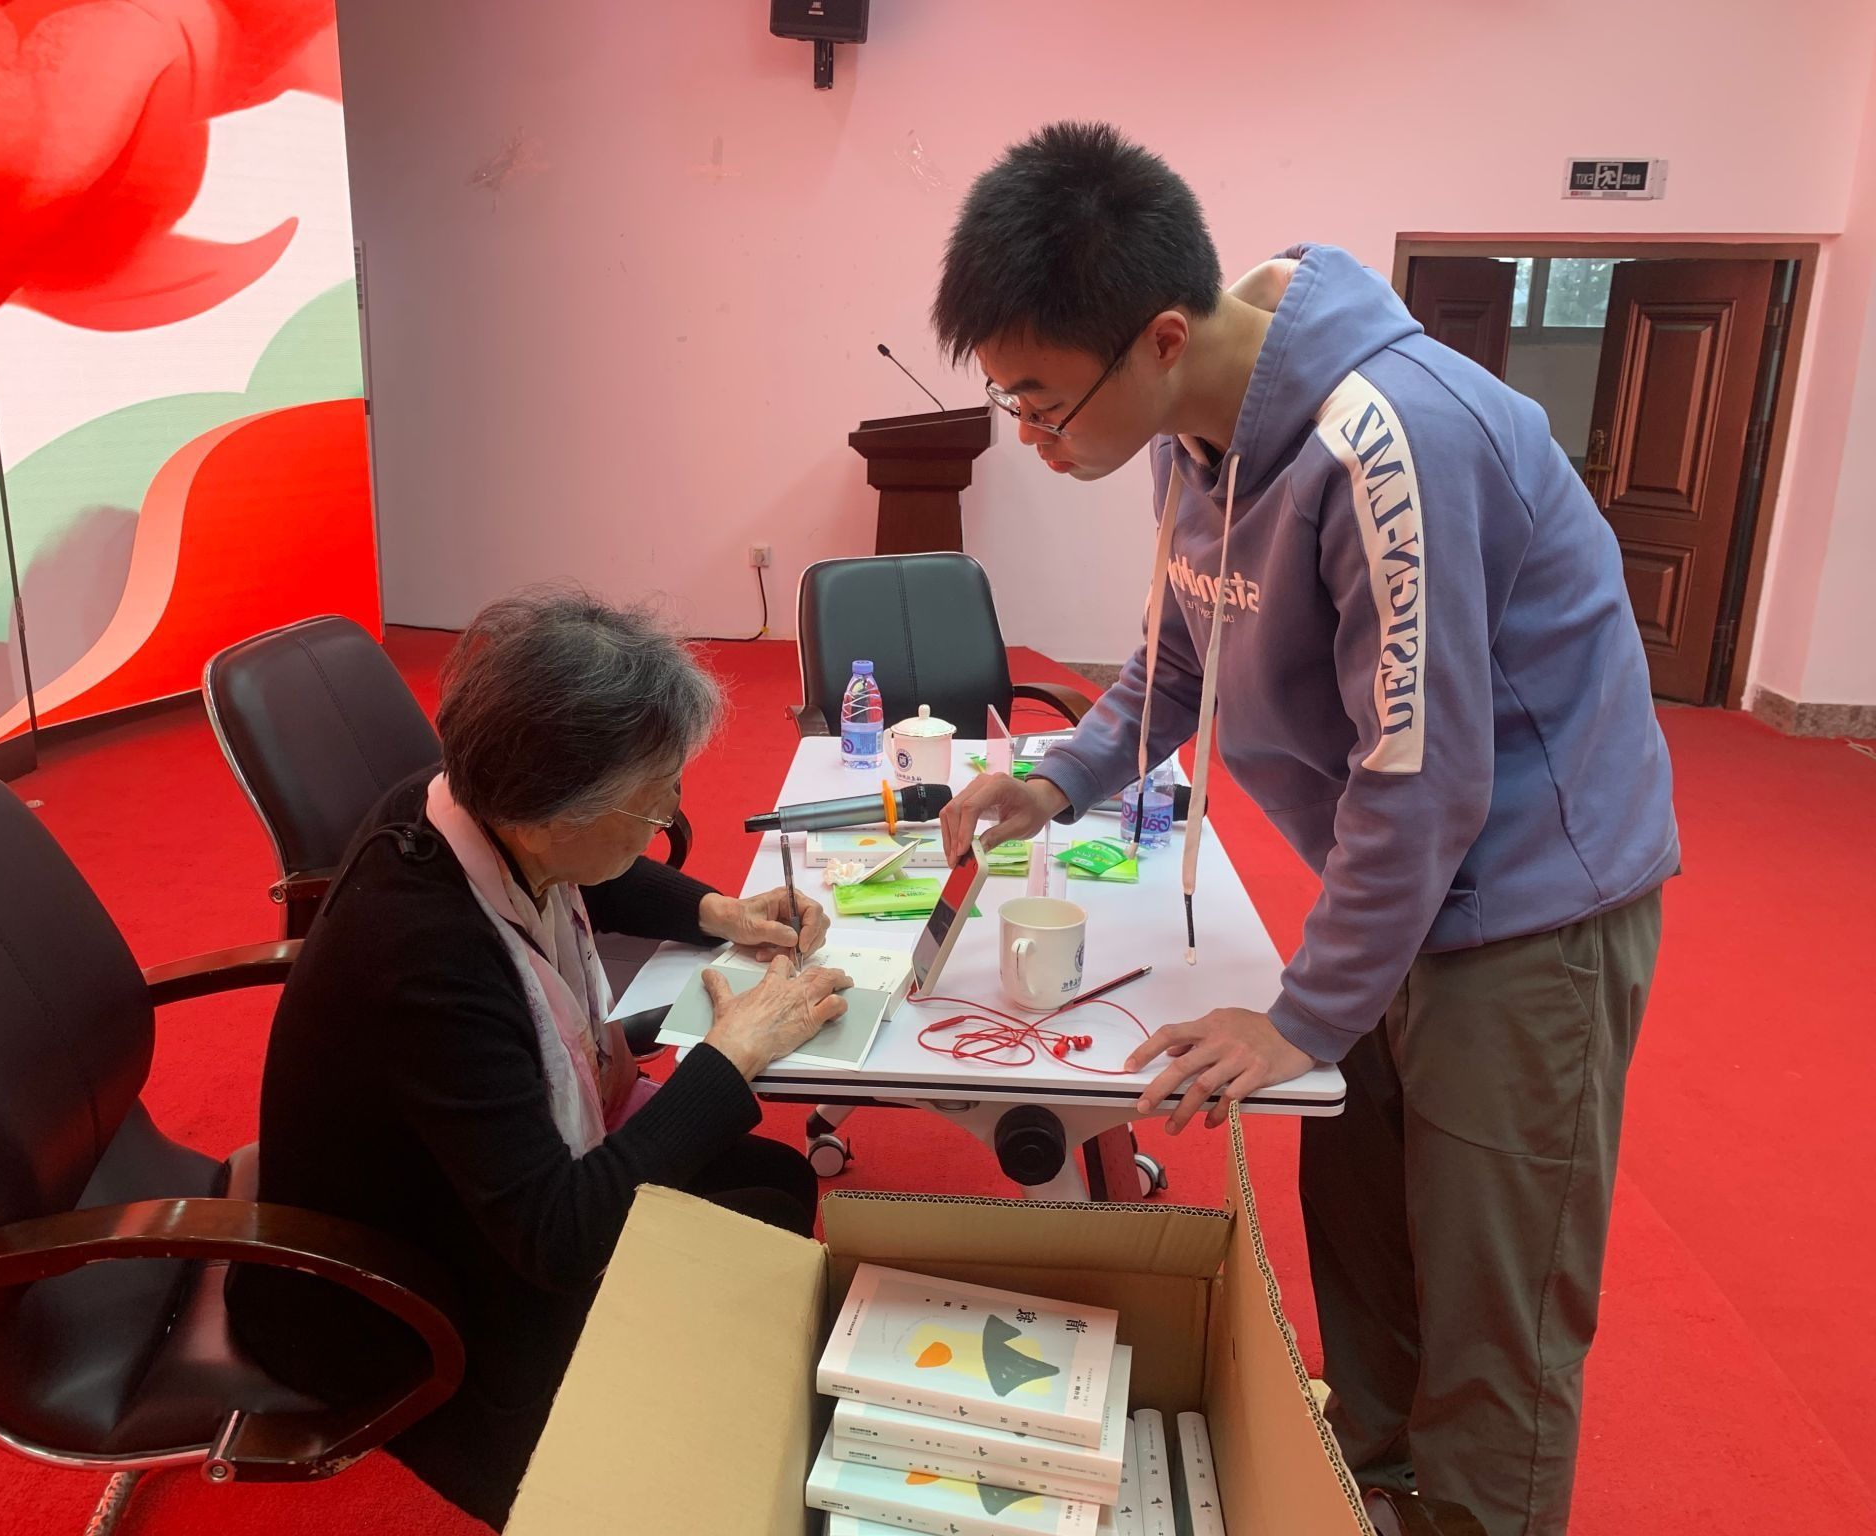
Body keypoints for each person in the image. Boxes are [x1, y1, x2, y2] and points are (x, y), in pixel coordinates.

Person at [931, 122, 1676, 1536]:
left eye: (1040, 402)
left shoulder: (1388, 441)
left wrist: (1305, 1014)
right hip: (1395, 887)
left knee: (1494, 1305)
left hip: (1527, 908)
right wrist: (1059, 780)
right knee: (1366, 1234)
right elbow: (1177, 656)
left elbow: (1423, 779)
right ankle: (1374, 1491)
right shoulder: (1192, 432)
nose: (1029, 436)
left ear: (1159, 339)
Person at [227, 591, 851, 1528]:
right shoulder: (427, 961)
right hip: (395, 1289)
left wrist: (716, 911)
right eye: (655, 795)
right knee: (751, 1225)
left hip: (462, 1195)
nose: (670, 814)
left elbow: (594, 868)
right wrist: (731, 1057)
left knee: (772, 1185)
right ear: (554, 809)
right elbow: (560, 1240)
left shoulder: (458, 806)